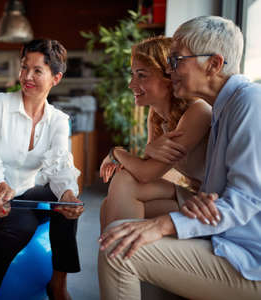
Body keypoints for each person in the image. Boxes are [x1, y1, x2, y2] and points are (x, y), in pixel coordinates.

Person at [98, 16, 261, 300]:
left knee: (119, 249)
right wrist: (207, 197)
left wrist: (162, 225)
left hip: (247, 260)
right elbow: (226, 195)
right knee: (118, 226)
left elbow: (246, 200)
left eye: (176, 61)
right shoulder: (224, 108)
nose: (170, 70)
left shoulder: (249, 102)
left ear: (214, 64)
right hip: (227, 238)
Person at [0, 39, 84, 300]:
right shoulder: (0, 104)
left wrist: (69, 195)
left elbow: (60, 166)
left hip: (22, 196)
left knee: (66, 201)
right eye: (24, 67)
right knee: (24, 224)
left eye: (37, 70)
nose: (27, 76)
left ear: (56, 78)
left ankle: (58, 284)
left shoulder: (59, 120)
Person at [99, 36, 211, 232]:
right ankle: (122, 259)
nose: (131, 84)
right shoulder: (157, 114)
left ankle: (122, 260)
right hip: (189, 193)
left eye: (141, 75)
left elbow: (146, 173)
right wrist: (148, 150)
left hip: (210, 204)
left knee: (123, 182)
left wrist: (116, 153)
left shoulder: (198, 111)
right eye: (133, 74)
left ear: (168, 76)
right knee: (108, 204)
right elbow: (147, 166)